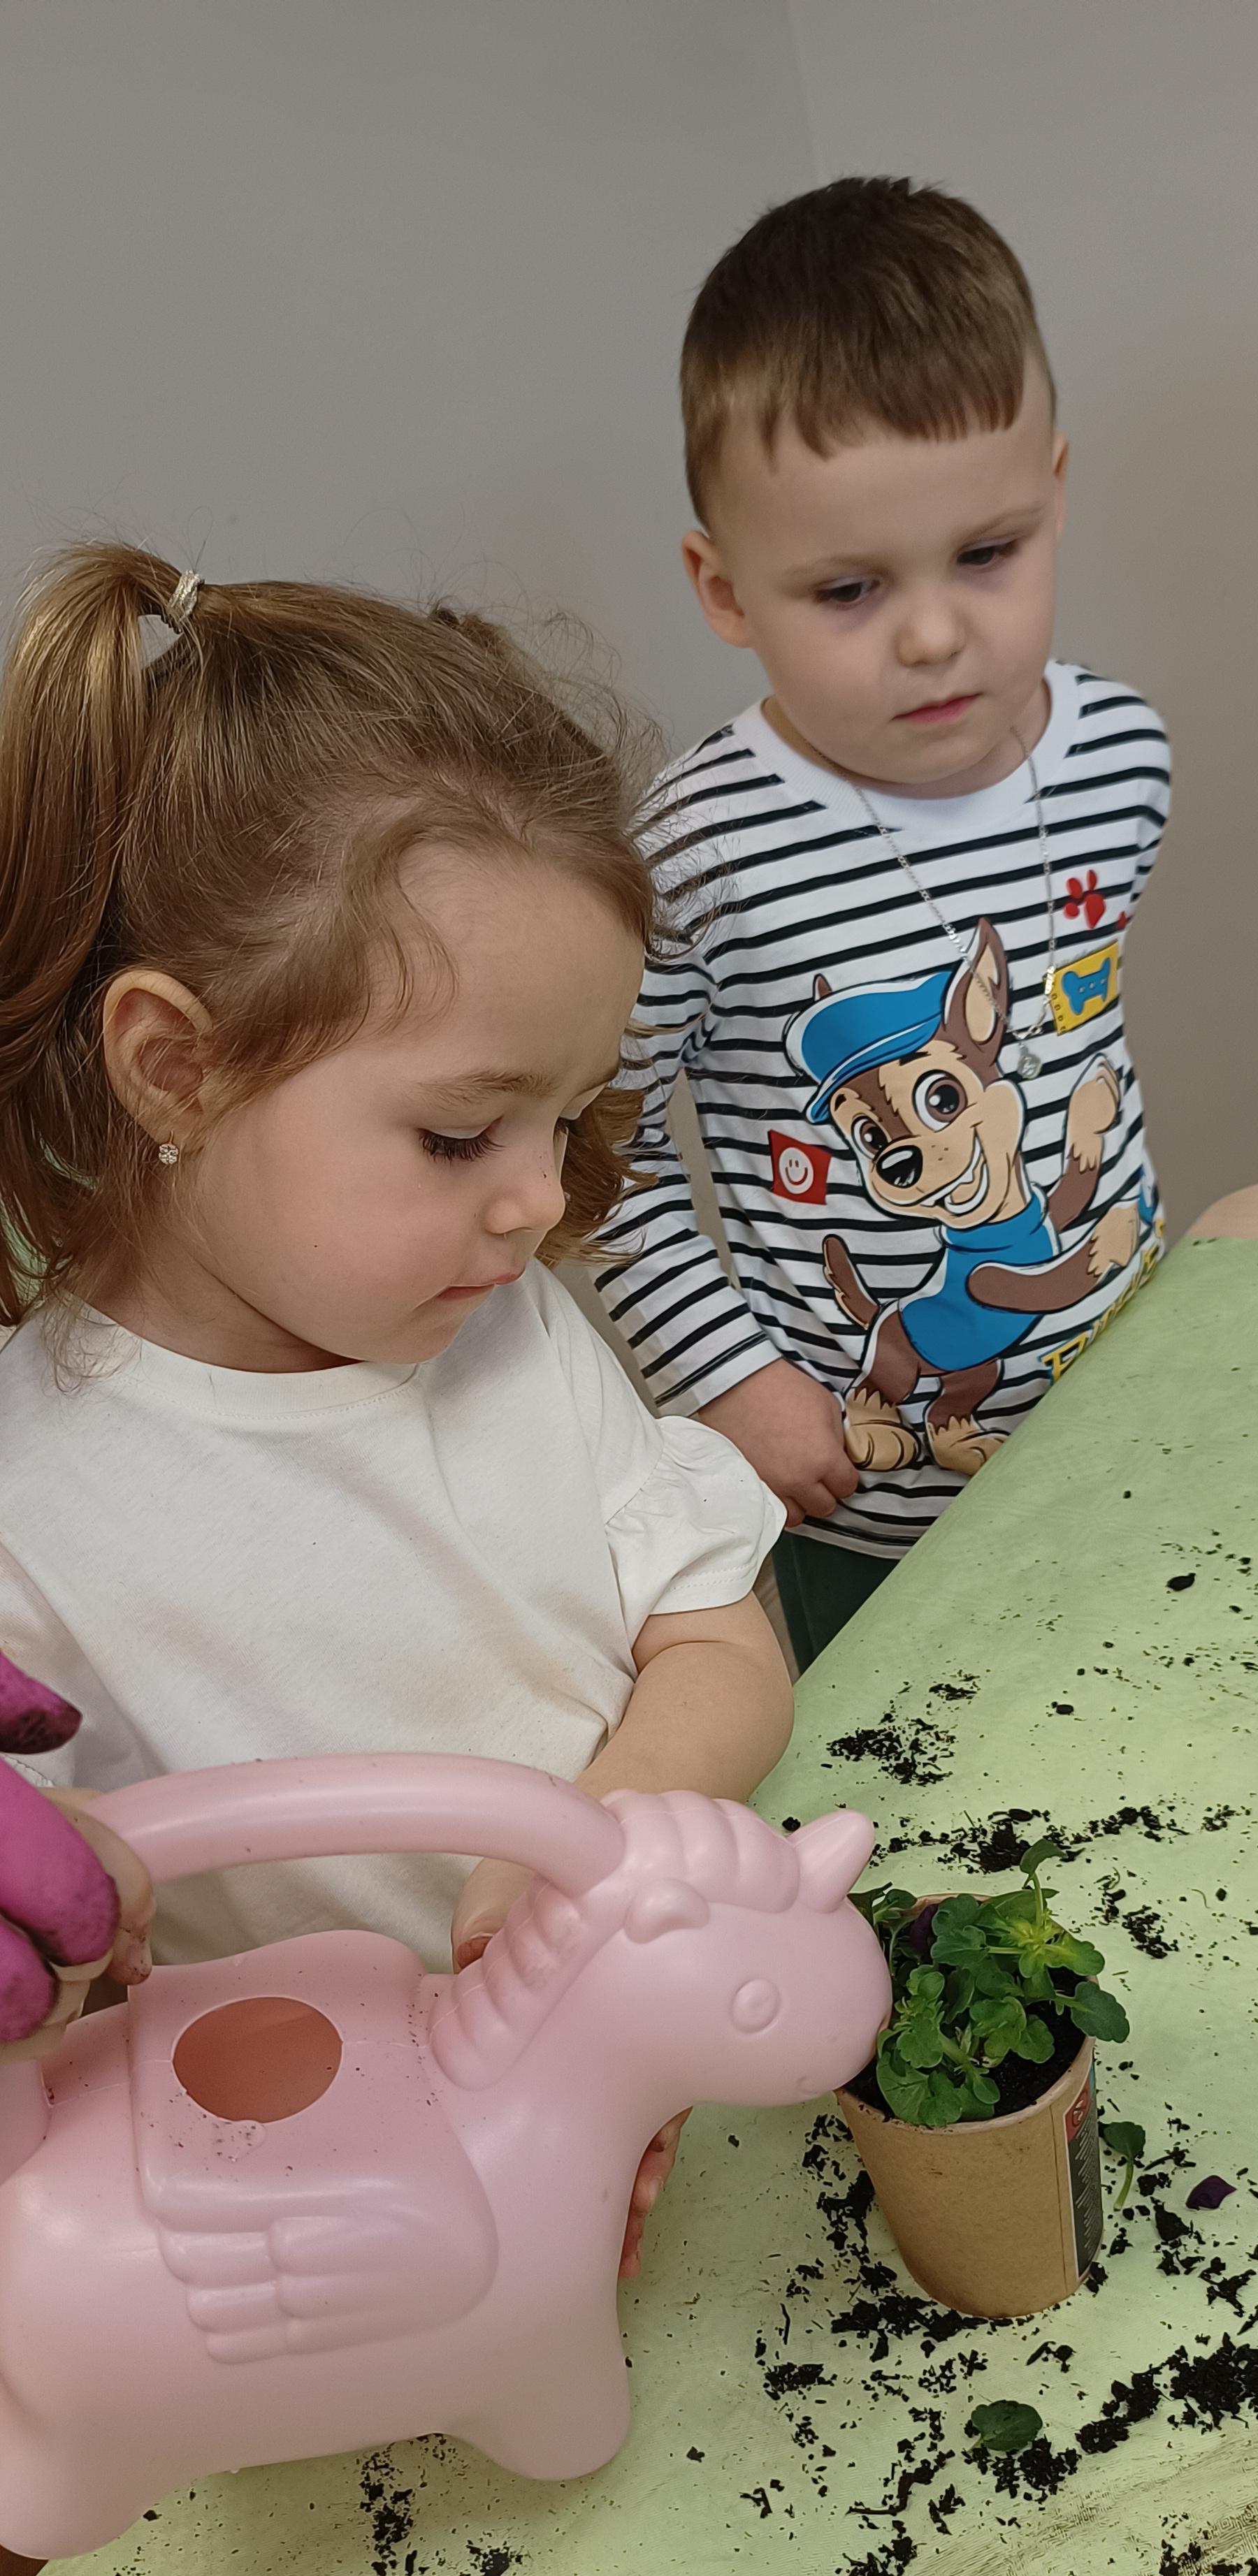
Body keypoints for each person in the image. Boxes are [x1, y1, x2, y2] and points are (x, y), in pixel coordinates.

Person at [0, 545, 791, 2276]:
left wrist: (595, 1850)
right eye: (459, 1133)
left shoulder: (506, 1327)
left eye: (567, 1117)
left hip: (667, 2081)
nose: (540, 1199)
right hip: (350, 2229)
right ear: (177, 1067)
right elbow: (66, 2004)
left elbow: (720, 1638)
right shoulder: (30, 1516)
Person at [597, 177, 1169, 1675]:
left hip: (1130, 1434)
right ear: (725, 587)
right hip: (872, 1508)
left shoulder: (1123, 758)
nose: (931, 633)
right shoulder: (699, 849)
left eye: (988, 553)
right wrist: (733, 1382)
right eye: (848, 588)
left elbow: (1075, 1037)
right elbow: (598, 1151)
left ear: (1053, 491)